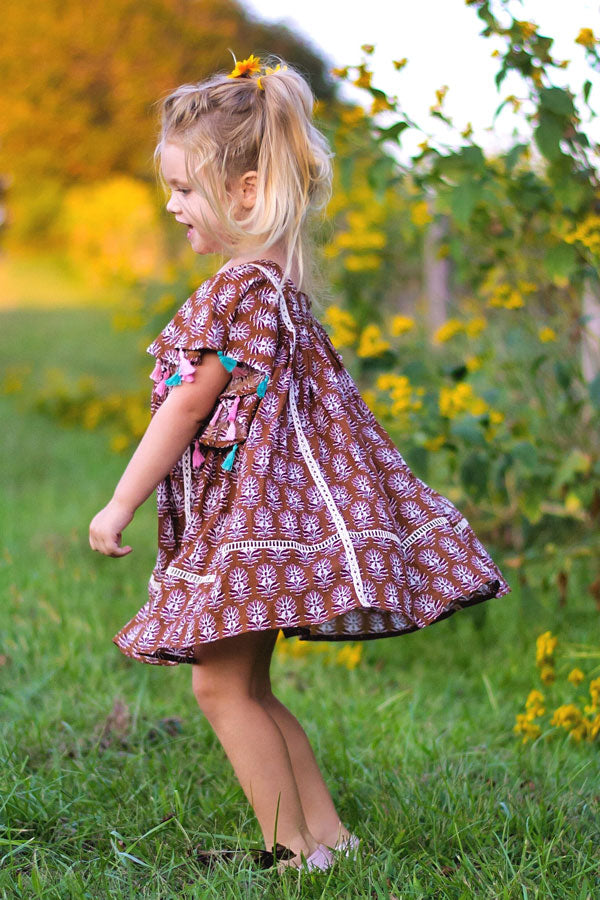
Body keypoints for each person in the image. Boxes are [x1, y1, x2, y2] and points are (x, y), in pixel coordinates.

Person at [89, 53, 511, 874]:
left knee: (219, 690)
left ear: (245, 192)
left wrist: (119, 503)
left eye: (182, 188)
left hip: (244, 528)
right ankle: (331, 843)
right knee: (246, 688)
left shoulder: (236, 289)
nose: (172, 205)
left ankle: (293, 852)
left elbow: (186, 406)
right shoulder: (281, 287)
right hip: (270, 521)